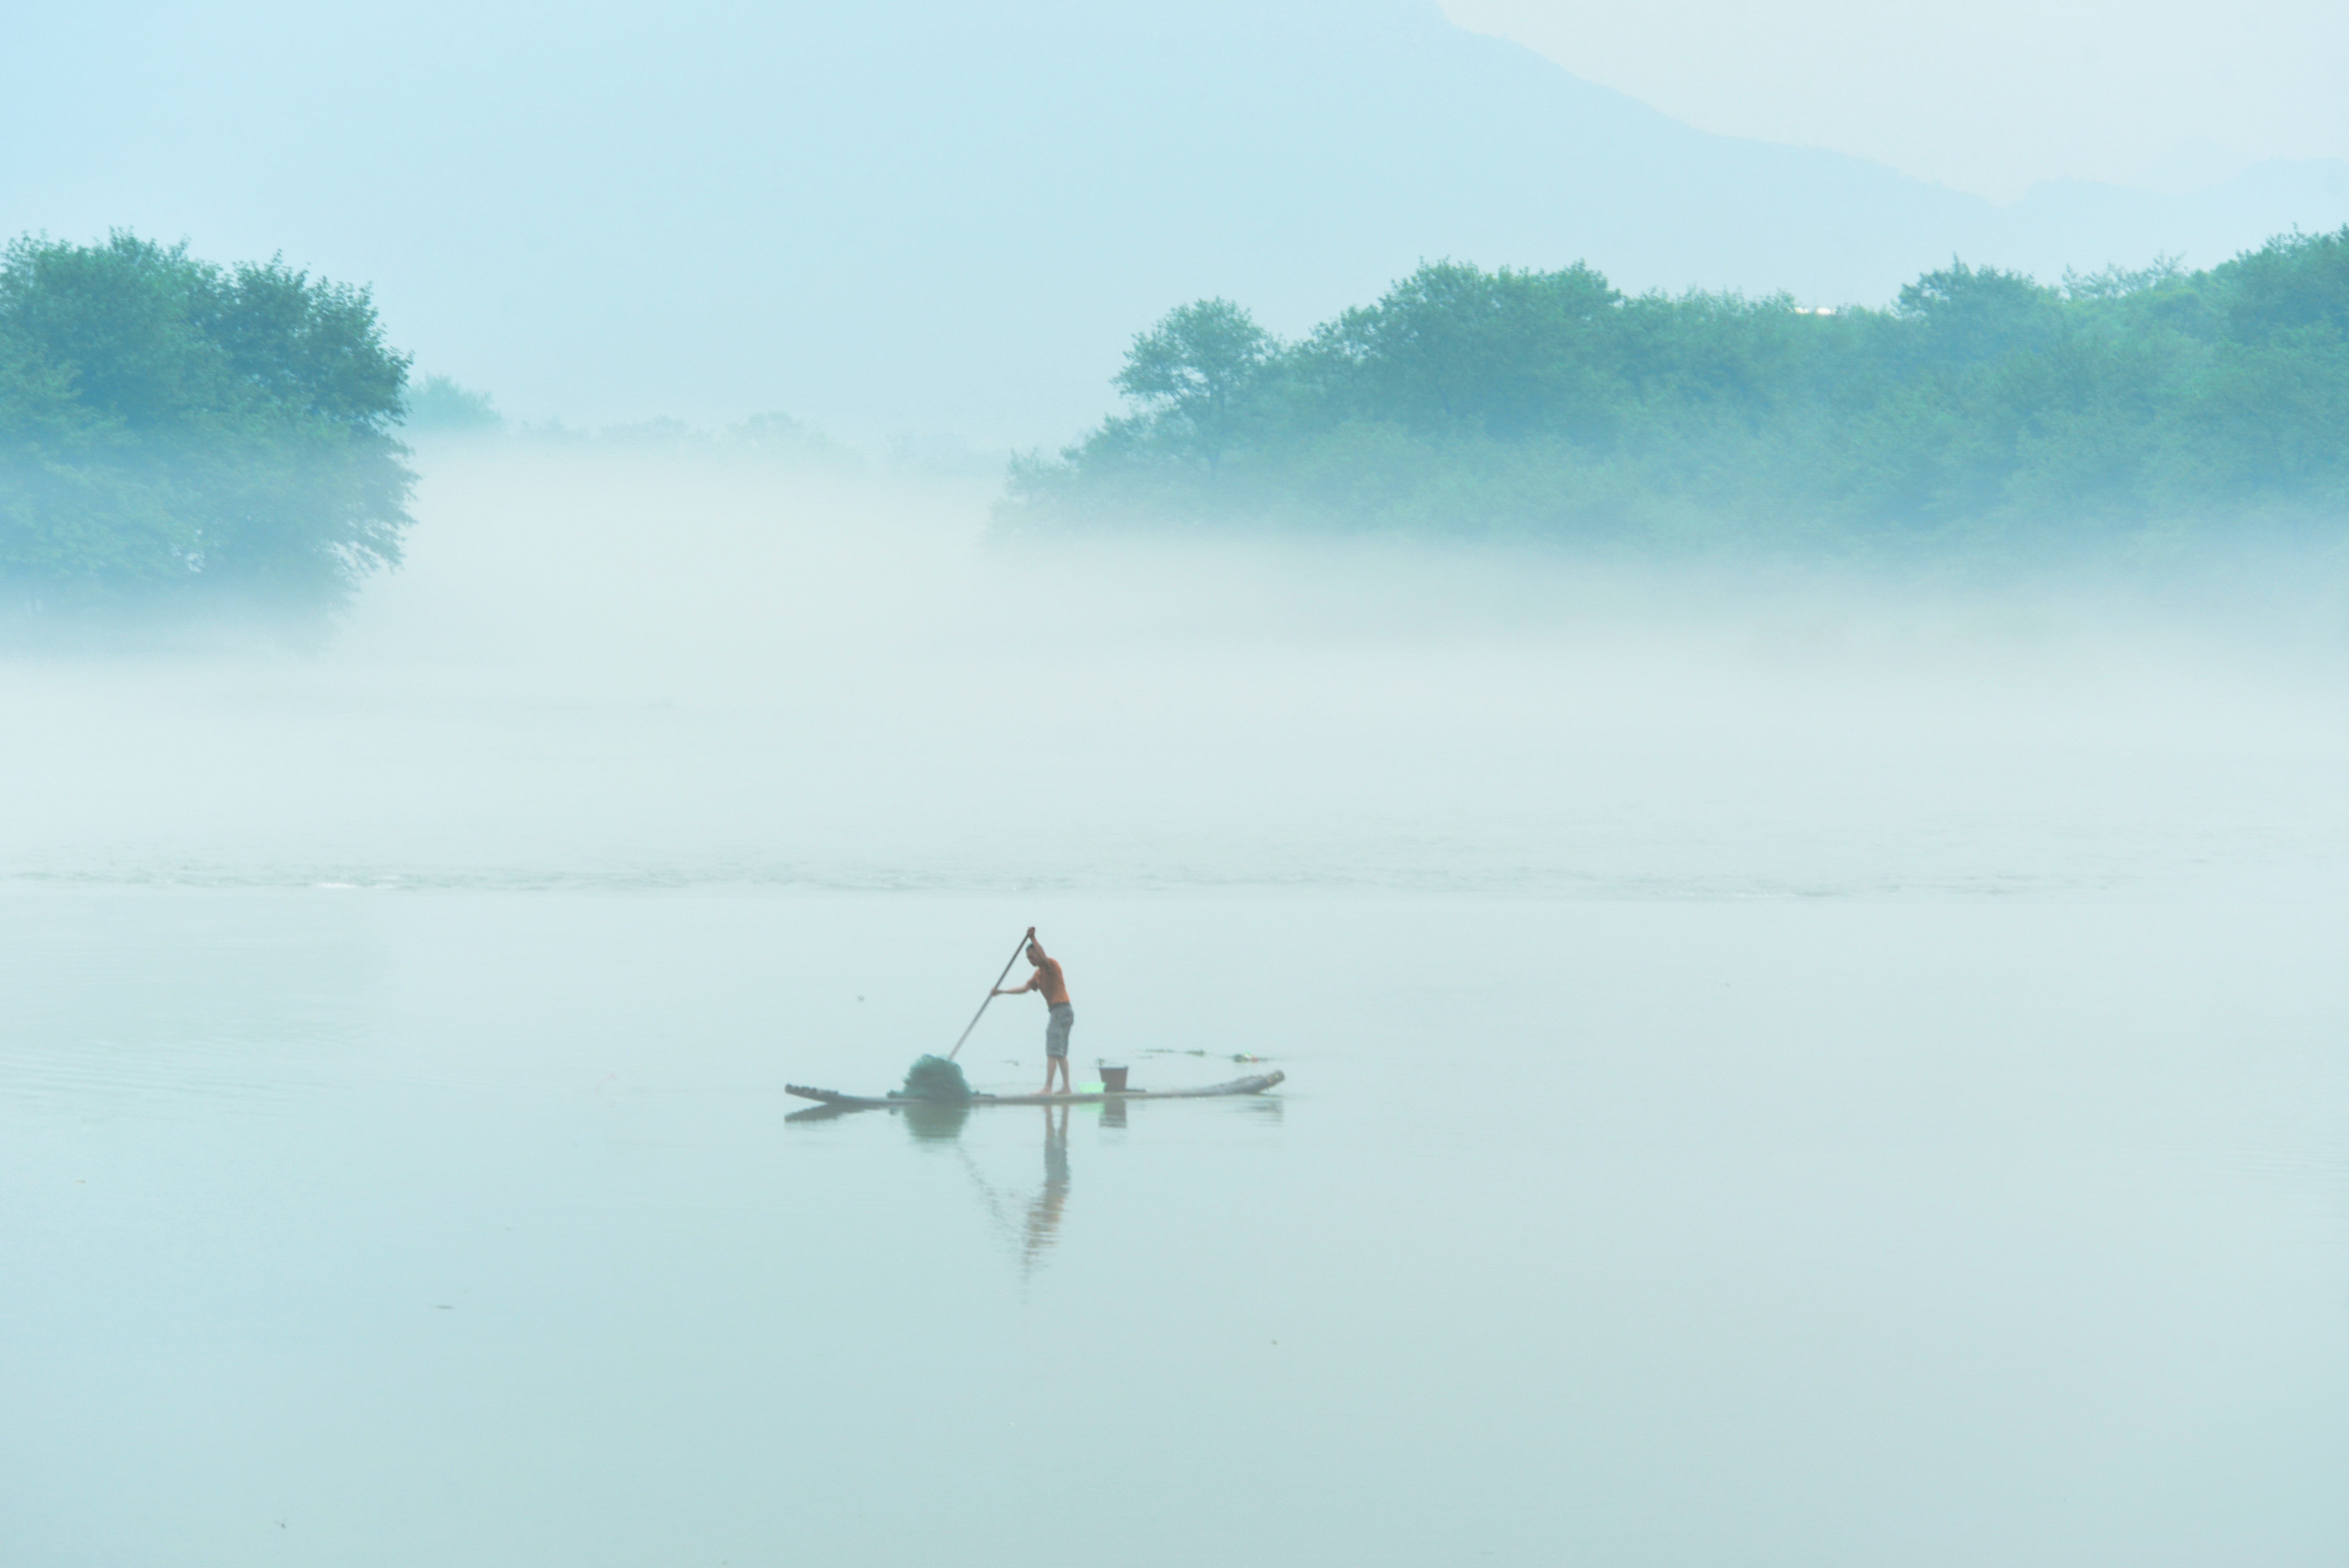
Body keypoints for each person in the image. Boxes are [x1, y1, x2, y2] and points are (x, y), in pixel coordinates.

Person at [993, 937, 1074, 1094]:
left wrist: (1032, 938)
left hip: (1061, 1011)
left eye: (1032, 956)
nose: (1031, 960)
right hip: (1063, 1012)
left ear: (1039, 954)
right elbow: (1024, 989)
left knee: (1053, 1051)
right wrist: (1002, 992)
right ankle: (1066, 1088)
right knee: (1061, 1052)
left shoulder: (1051, 965)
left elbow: (1043, 957)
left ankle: (1048, 1088)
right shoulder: (1038, 975)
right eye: (1028, 958)